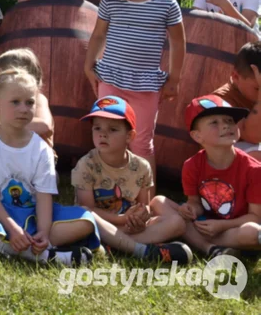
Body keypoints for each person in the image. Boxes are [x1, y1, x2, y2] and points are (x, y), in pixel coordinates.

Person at [0, 69, 98, 265]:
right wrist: (12, 228)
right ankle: (47, 256)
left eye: (29, 102)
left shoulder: (41, 149)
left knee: (86, 221)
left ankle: (2, 246)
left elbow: (43, 196)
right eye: (15, 102)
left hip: (34, 213)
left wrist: (44, 232)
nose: (24, 109)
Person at [85, 0, 186, 173]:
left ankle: (145, 200)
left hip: (145, 85)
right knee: (106, 137)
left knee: (141, 141)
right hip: (110, 80)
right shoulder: (110, 1)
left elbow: (178, 42)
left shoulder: (166, 5)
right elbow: (99, 35)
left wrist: (175, 79)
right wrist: (87, 65)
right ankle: (105, 189)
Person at [71, 96, 192, 264]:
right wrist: (122, 219)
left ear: (130, 136)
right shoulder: (85, 165)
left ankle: (113, 244)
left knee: (178, 223)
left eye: (113, 129)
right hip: (99, 223)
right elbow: (88, 208)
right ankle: (141, 249)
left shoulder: (141, 167)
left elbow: (144, 207)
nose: (103, 134)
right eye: (97, 128)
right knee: (85, 214)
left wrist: (140, 220)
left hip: (128, 228)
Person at [177, 95, 261, 258]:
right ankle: (213, 248)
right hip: (206, 223)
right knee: (160, 202)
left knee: (252, 232)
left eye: (229, 120)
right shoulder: (191, 165)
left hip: (237, 225)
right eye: (214, 122)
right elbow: (194, 202)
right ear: (197, 136)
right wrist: (190, 209)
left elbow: (255, 217)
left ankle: (204, 243)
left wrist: (222, 225)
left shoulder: (255, 170)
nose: (225, 126)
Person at [0, 48, 54, 146]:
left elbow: (44, 126)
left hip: (37, 156)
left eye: (2, 74)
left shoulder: (38, 98)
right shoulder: (5, 99)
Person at [212, 42, 261, 156]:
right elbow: (252, 136)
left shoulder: (249, 94)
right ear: (236, 77)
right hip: (222, 163)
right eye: (258, 88)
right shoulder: (222, 101)